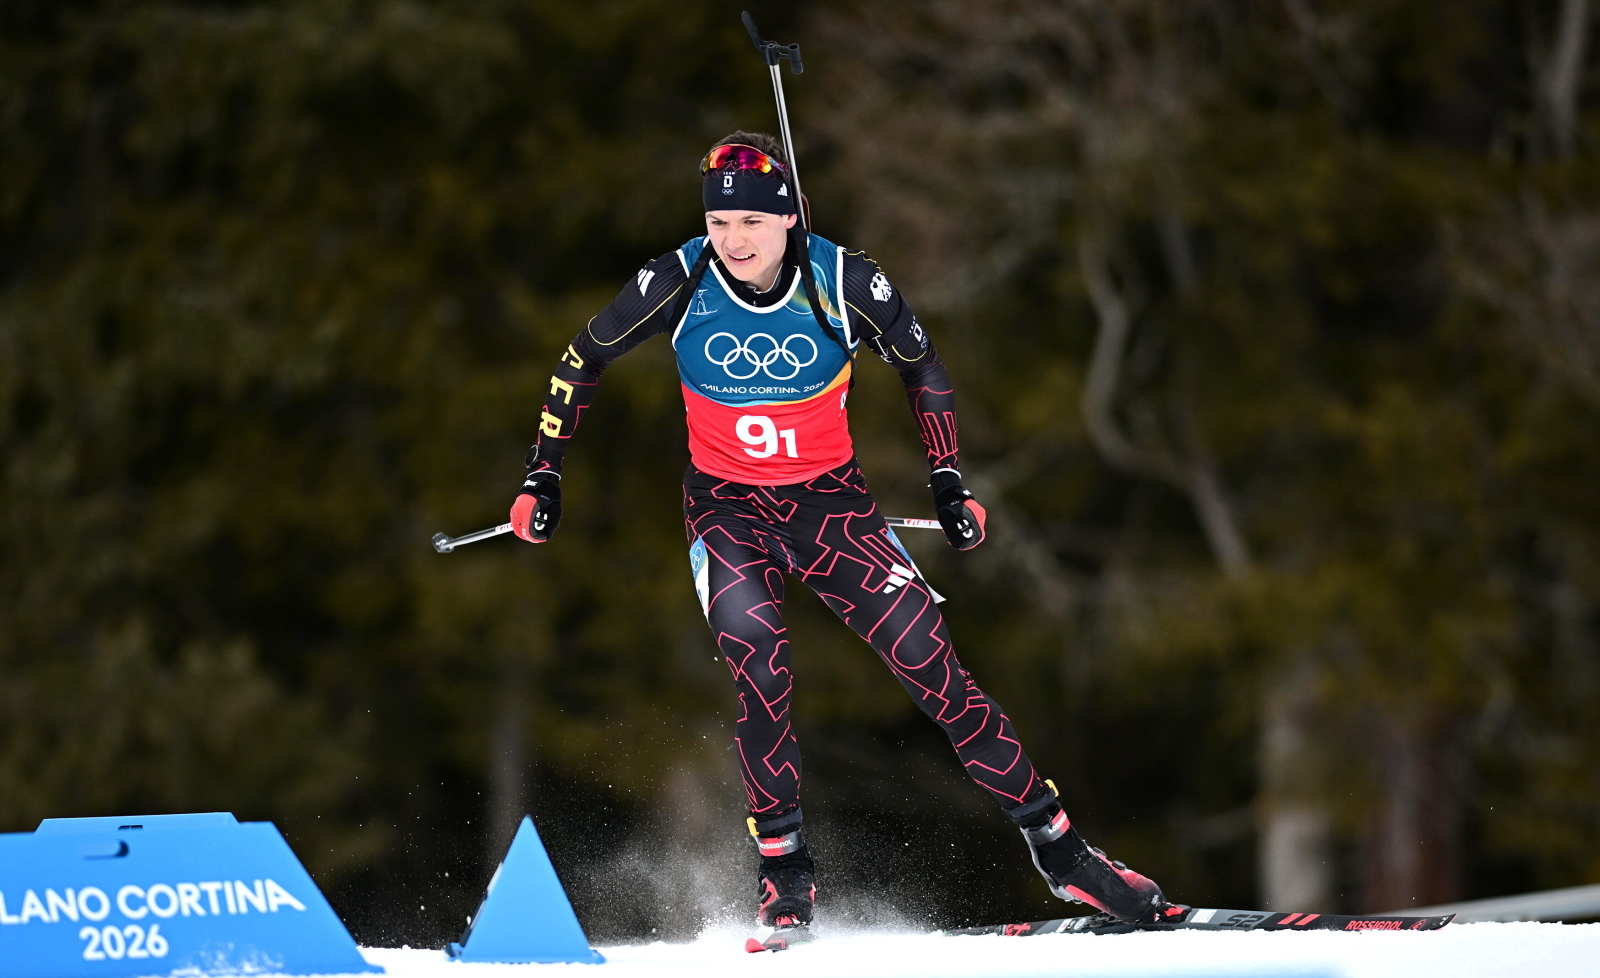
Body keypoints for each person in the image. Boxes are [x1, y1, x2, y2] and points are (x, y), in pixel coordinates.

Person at [510, 131, 1176, 936]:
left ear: (788, 219)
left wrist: (949, 480)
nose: (735, 242)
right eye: (721, 225)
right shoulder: (680, 279)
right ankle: (785, 875)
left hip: (832, 509)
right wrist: (542, 474)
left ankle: (1063, 854)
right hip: (728, 510)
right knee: (758, 657)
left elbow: (921, 365)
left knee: (931, 663)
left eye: (752, 223)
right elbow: (582, 358)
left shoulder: (843, 280)